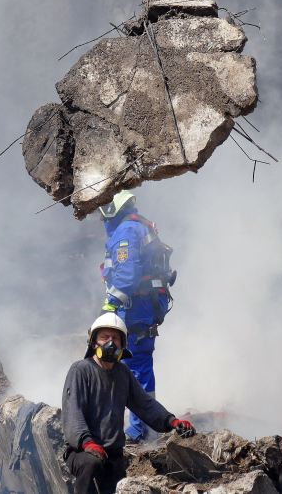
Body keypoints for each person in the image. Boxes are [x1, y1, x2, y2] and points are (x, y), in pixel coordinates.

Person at [61, 313, 196, 494]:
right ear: (94, 343)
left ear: (122, 344)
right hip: (83, 452)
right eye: (104, 337)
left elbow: (145, 404)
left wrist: (172, 421)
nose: (110, 342)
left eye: (115, 338)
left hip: (113, 455)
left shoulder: (123, 373)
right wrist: (88, 443)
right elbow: (73, 413)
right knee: (91, 464)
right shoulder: (80, 370)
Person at [98, 190, 175, 442]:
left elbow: (127, 274)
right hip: (144, 305)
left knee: (135, 366)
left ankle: (142, 431)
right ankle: (142, 427)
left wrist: (110, 304)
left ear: (113, 208)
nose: (102, 219)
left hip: (136, 307)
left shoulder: (127, 232)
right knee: (135, 364)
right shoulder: (138, 227)